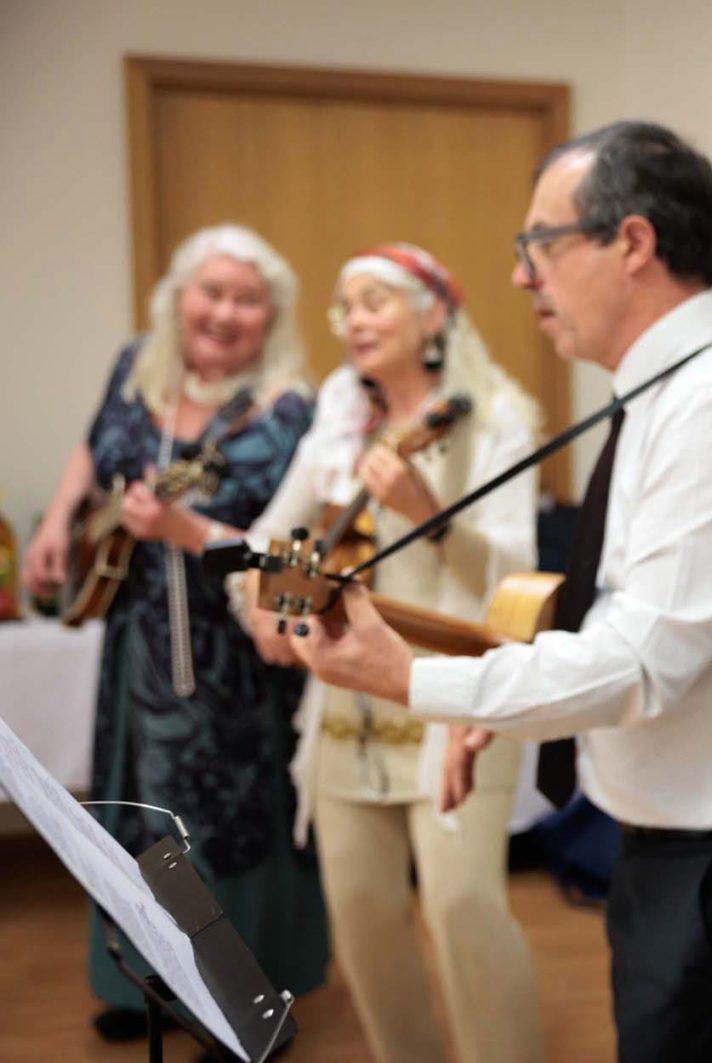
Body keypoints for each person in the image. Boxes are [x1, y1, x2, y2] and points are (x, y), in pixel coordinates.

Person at [288, 121, 712, 1063]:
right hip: (680, 853)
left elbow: (638, 663)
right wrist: (505, 704)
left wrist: (413, 681)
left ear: (631, 242)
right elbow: (624, 614)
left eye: (540, 245)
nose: (521, 276)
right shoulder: (664, 394)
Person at [21, 223, 328, 1040]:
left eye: (246, 300)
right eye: (211, 292)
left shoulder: (286, 409)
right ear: (178, 298)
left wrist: (183, 527)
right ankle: (145, 989)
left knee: (222, 820)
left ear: (272, 317)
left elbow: (283, 543)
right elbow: (93, 449)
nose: (223, 313)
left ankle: (244, 1003)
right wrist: (60, 516)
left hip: (233, 654)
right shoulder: (138, 367)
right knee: (138, 811)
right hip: (137, 642)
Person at [245, 243, 544, 1063]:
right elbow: (271, 535)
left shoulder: (492, 417)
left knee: (461, 908)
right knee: (363, 918)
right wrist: (263, 600)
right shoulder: (341, 421)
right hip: (347, 709)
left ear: (433, 313)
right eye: (345, 306)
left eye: (374, 301)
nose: (354, 320)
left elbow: (514, 581)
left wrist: (427, 511)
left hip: (459, 696)